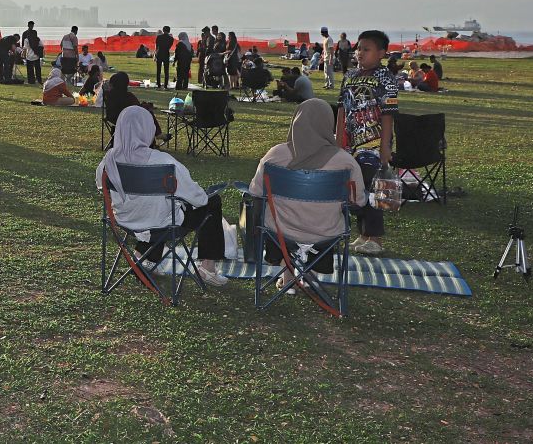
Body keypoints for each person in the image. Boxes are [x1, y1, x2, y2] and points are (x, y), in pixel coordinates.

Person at [96, 106, 228, 286]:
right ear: (148, 129)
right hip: (161, 223)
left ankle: (144, 257)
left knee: (155, 206)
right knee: (211, 202)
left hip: (126, 222)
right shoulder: (163, 162)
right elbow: (198, 199)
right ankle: (208, 267)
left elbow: (102, 189)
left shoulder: (107, 162)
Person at [250, 99, 366, 287]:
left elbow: (255, 191)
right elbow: (358, 201)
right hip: (325, 234)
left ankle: (287, 274)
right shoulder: (345, 162)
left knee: (272, 215)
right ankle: (310, 272)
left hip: (280, 232)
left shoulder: (274, 155)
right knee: (328, 216)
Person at [336, 29, 399, 255]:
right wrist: (337, 141)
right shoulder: (349, 75)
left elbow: (388, 113)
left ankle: (376, 238)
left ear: (381, 53)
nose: (360, 53)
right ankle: (363, 234)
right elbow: (342, 110)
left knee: (371, 190)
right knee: (354, 189)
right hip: (351, 143)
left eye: (366, 49)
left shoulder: (386, 77)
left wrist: (385, 146)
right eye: (358, 48)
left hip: (373, 143)